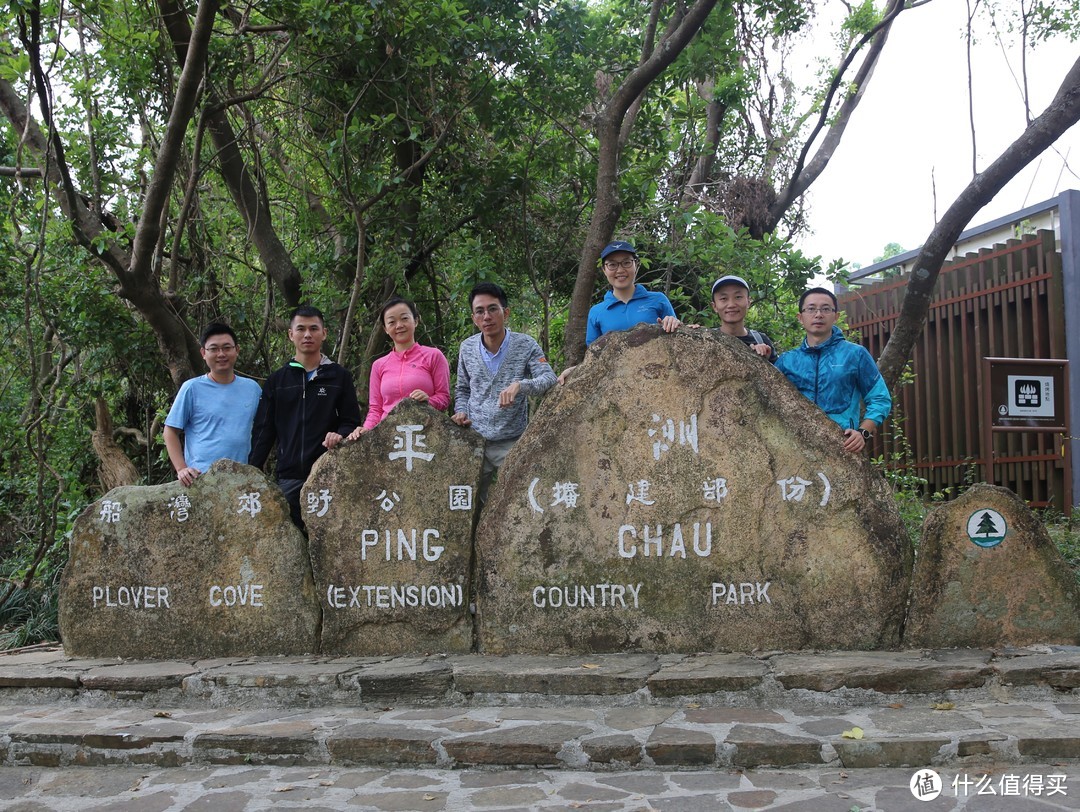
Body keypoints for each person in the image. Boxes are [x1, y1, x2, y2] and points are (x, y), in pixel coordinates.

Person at [249, 305, 362, 526]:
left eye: (313, 328)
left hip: (329, 473)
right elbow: (264, 430)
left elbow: (351, 421)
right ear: (291, 334)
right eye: (301, 329)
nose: (307, 334)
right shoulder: (278, 381)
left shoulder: (339, 376)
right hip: (289, 477)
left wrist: (339, 434)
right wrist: (253, 470)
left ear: (324, 333)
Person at [451, 282, 556, 502]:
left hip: (513, 441)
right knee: (469, 505)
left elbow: (549, 379)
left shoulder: (525, 345)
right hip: (474, 439)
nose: (486, 316)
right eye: (480, 311)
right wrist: (460, 412)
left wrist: (520, 385)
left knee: (524, 500)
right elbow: (462, 389)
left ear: (505, 313)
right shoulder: (467, 348)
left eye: (492, 309)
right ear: (473, 317)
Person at [775, 287, 891, 453]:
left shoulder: (855, 354)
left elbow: (880, 398)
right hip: (795, 447)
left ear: (836, 316)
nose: (818, 314)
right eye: (811, 309)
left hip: (842, 445)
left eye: (826, 309)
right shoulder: (787, 361)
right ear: (800, 317)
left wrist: (862, 431)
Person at [559, 240, 681, 383]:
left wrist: (674, 323)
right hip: (617, 386)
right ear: (604, 270)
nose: (620, 270)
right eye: (612, 264)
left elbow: (677, 342)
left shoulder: (658, 300)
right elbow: (593, 359)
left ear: (636, 265)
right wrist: (575, 371)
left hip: (657, 379)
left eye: (626, 262)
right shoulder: (597, 312)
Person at [164, 323, 262, 486]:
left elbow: (264, 431)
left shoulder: (252, 389)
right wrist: (181, 469)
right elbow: (170, 431)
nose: (221, 354)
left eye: (226, 348)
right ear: (203, 353)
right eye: (214, 349)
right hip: (201, 479)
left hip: (242, 478)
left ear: (236, 350)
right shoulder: (191, 388)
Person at [347, 296, 451, 439]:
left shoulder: (434, 356)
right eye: (391, 322)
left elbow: (444, 398)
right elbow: (376, 409)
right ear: (385, 329)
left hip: (426, 434)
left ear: (416, 320)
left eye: (404, 318)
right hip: (388, 437)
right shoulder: (379, 365)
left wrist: (428, 401)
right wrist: (366, 429)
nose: (399, 325)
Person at [710, 274, 777, 362]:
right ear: (714, 306)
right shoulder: (707, 338)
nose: (731, 305)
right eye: (723, 298)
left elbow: (778, 374)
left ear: (748, 302)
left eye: (738, 297)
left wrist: (765, 361)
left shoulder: (761, 340)